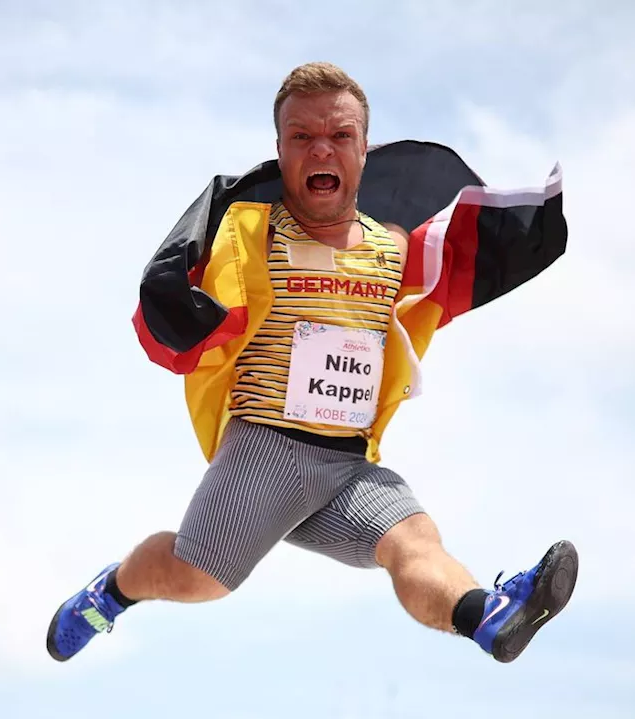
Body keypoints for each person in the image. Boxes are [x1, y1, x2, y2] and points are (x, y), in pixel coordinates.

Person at [46, 62, 577, 664]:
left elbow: (452, 267)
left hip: (349, 462)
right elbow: (184, 281)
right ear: (280, 150)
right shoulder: (248, 232)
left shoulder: (397, 249)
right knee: (197, 578)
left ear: (363, 152)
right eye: (302, 137)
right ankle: (107, 595)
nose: (321, 148)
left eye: (340, 136)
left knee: (415, 541)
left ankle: (488, 613)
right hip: (263, 454)